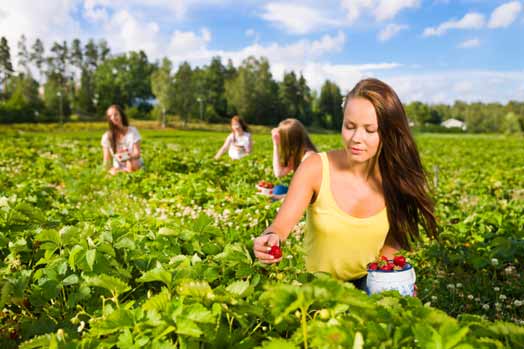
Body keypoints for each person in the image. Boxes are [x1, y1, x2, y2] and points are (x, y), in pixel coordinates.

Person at [253, 78, 437, 290]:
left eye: (370, 130)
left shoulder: (395, 180)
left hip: (366, 282)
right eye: (350, 126)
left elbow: (393, 242)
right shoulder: (315, 168)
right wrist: (269, 239)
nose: (356, 138)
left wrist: (389, 281)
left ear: (388, 132)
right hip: (317, 287)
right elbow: (279, 227)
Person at [271, 118, 317, 199]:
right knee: (278, 189)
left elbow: (306, 195)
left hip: (312, 199)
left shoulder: (309, 158)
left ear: (288, 140)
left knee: (277, 194)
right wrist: (275, 145)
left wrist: (277, 197)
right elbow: (279, 173)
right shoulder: (296, 154)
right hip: (301, 194)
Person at [101, 104, 144, 175]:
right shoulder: (106, 136)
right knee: (113, 172)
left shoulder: (132, 131)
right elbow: (106, 159)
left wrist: (127, 156)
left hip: (133, 162)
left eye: (116, 114)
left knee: (131, 164)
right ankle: (125, 173)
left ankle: (127, 173)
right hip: (118, 166)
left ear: (121, 115)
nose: (113, 117)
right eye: (110, 116)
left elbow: (137, 153)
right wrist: (104, 173)